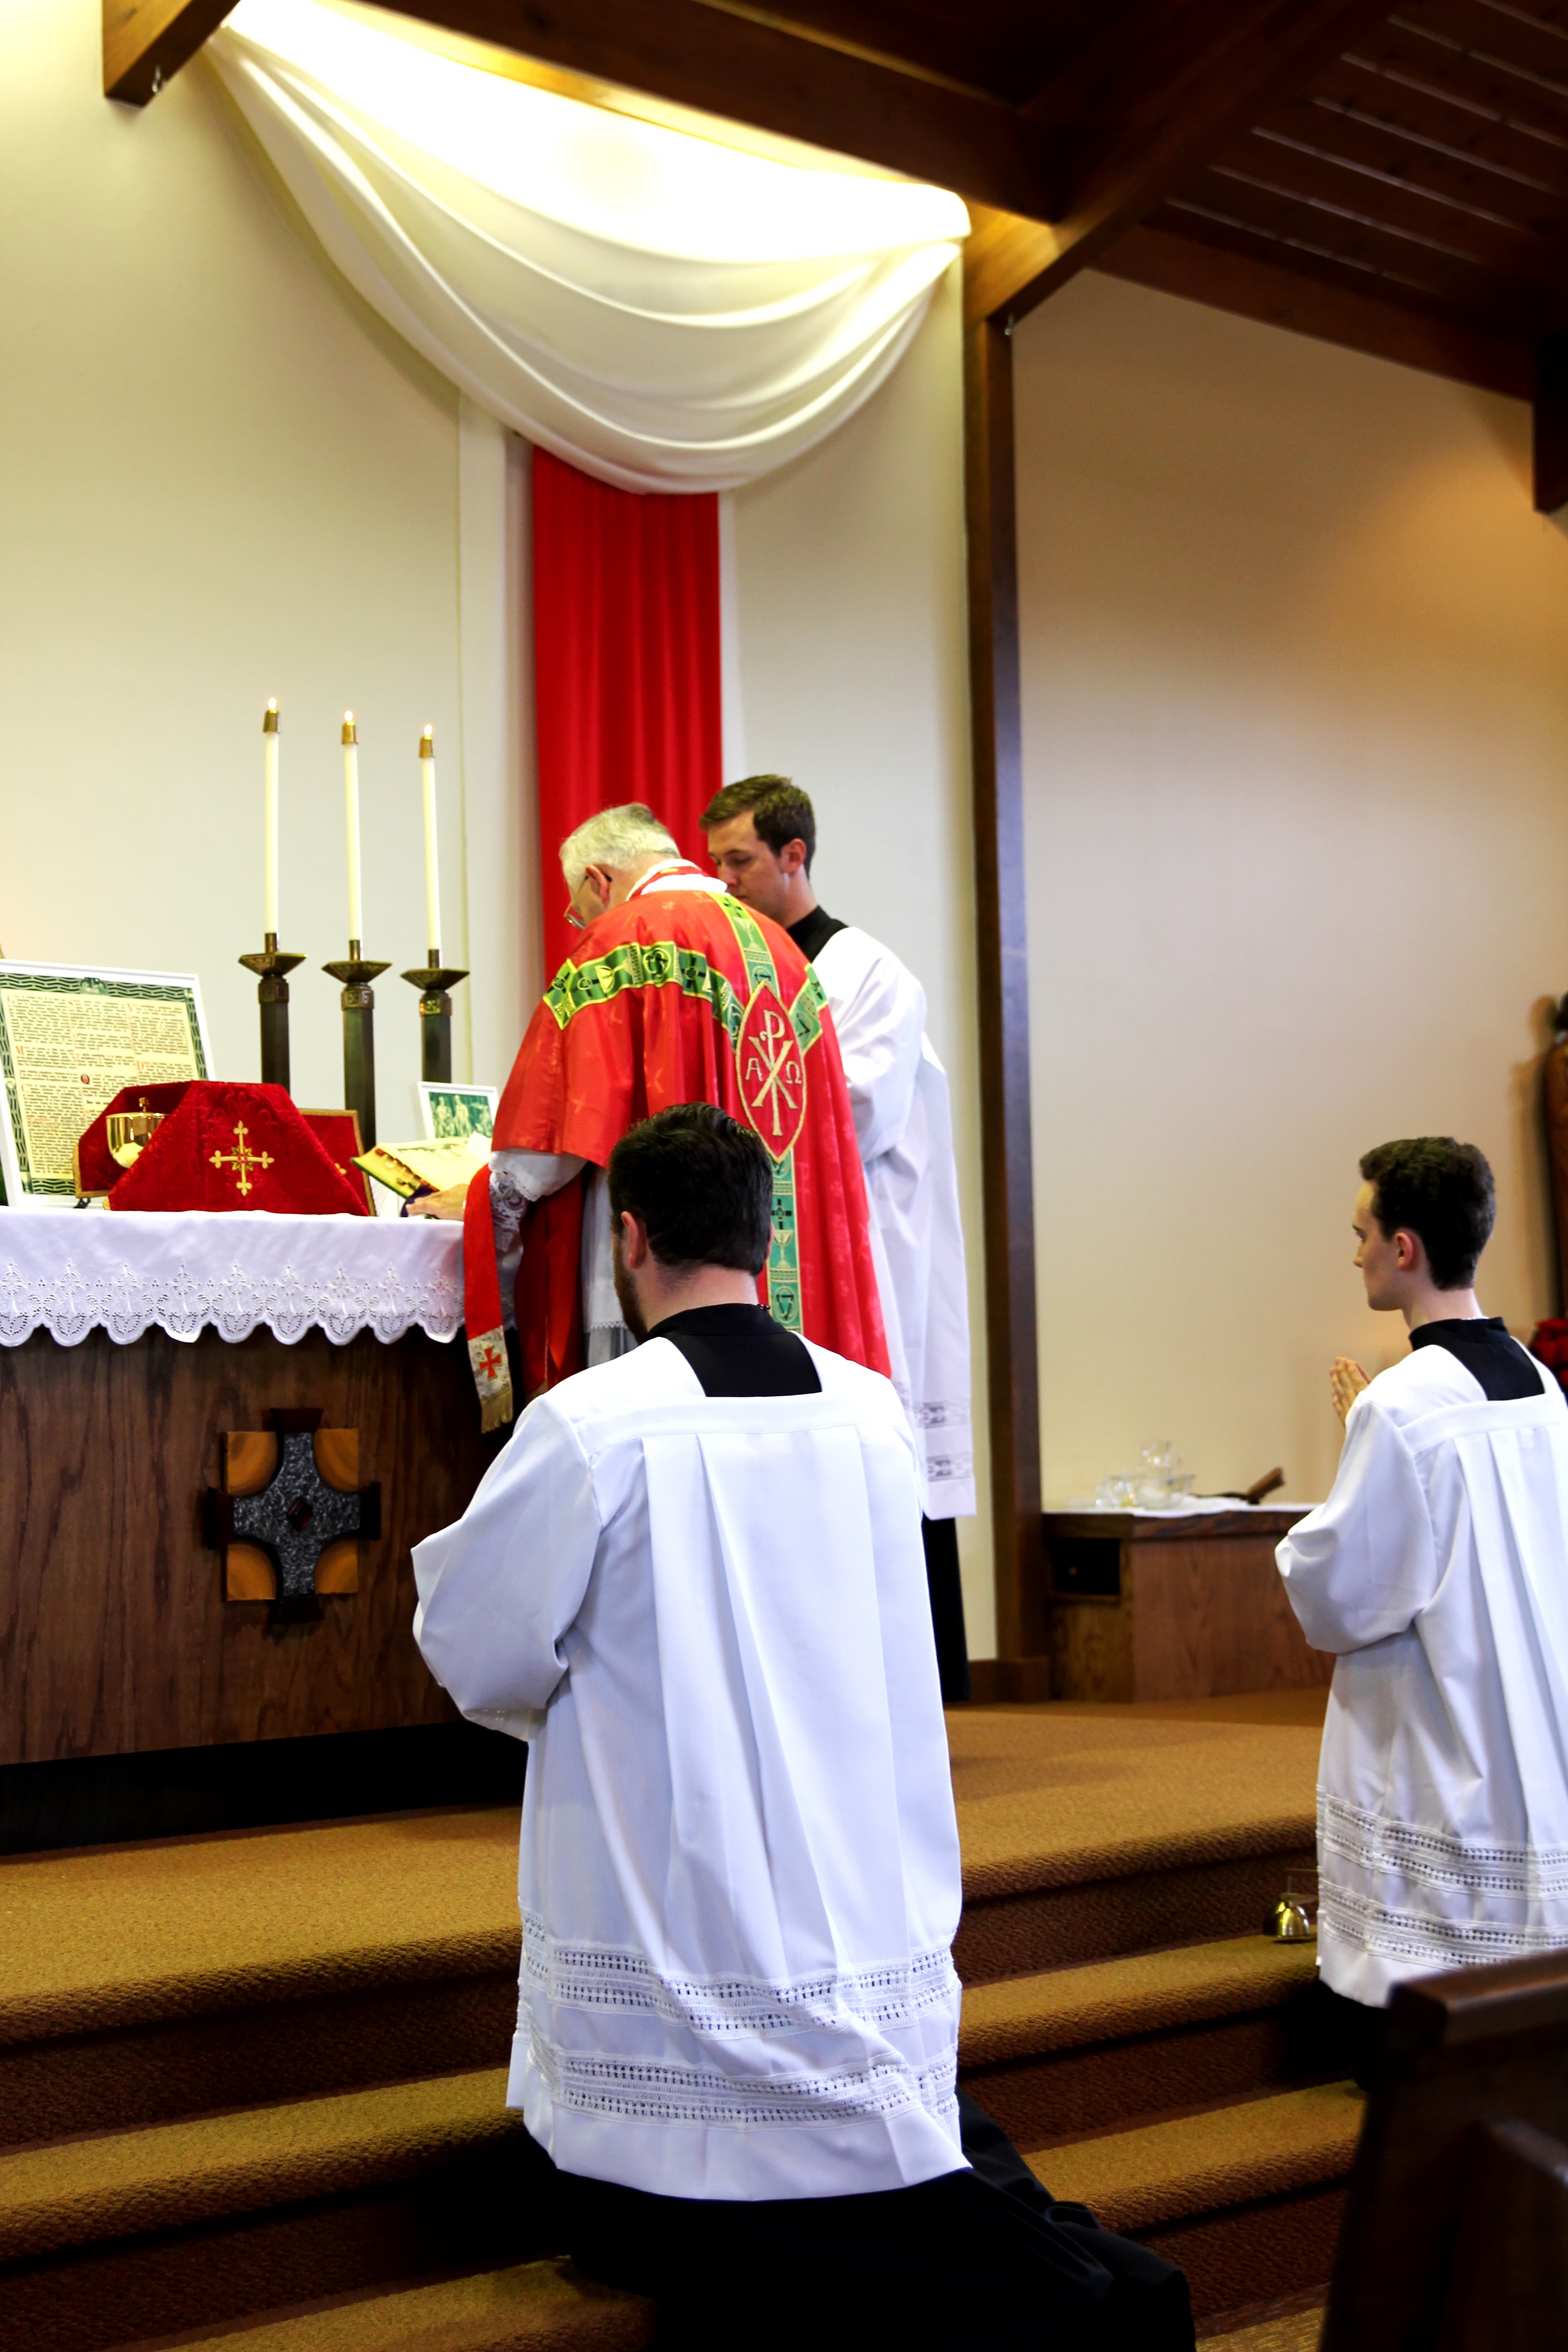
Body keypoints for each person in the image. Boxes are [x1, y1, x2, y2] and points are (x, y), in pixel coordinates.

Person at [412, 1105, 1193, 2352]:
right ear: (766, 1236)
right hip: (854, 1904)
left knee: (800, 2208)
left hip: (683, 1926)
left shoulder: (594, 1424)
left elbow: (475, 1641)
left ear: (629, 1239)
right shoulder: (872, 1412)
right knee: (953, 2194)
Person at [411, 801, 887, 1423]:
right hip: (767, 1255)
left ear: (599, 880)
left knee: (646, 1428)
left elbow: (549, 1141)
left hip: (660, 1257)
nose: (581, 922)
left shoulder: (619, 940)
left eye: (576, 910)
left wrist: (484, 1199)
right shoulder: (784, 951)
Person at [1277, 1137, 1568, 2085]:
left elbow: (1348, 1594)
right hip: (1532, 1699)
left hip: (1444, 1707)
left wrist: (1329, 1500)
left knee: (1431, 1940)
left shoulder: (1401, 1405)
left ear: (1404, 1249)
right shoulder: (1538, 1379)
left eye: (1362, 1233)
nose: (1354, 1252)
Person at [702, 774, 975, 1700]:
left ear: (795, 856)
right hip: (782, 1240)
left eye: (741, 861)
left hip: (866, 1250)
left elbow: (853, 1108)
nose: (725, 881)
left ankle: (909, 1688)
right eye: (716, 863)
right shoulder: (744, 967)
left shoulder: (864, 971)